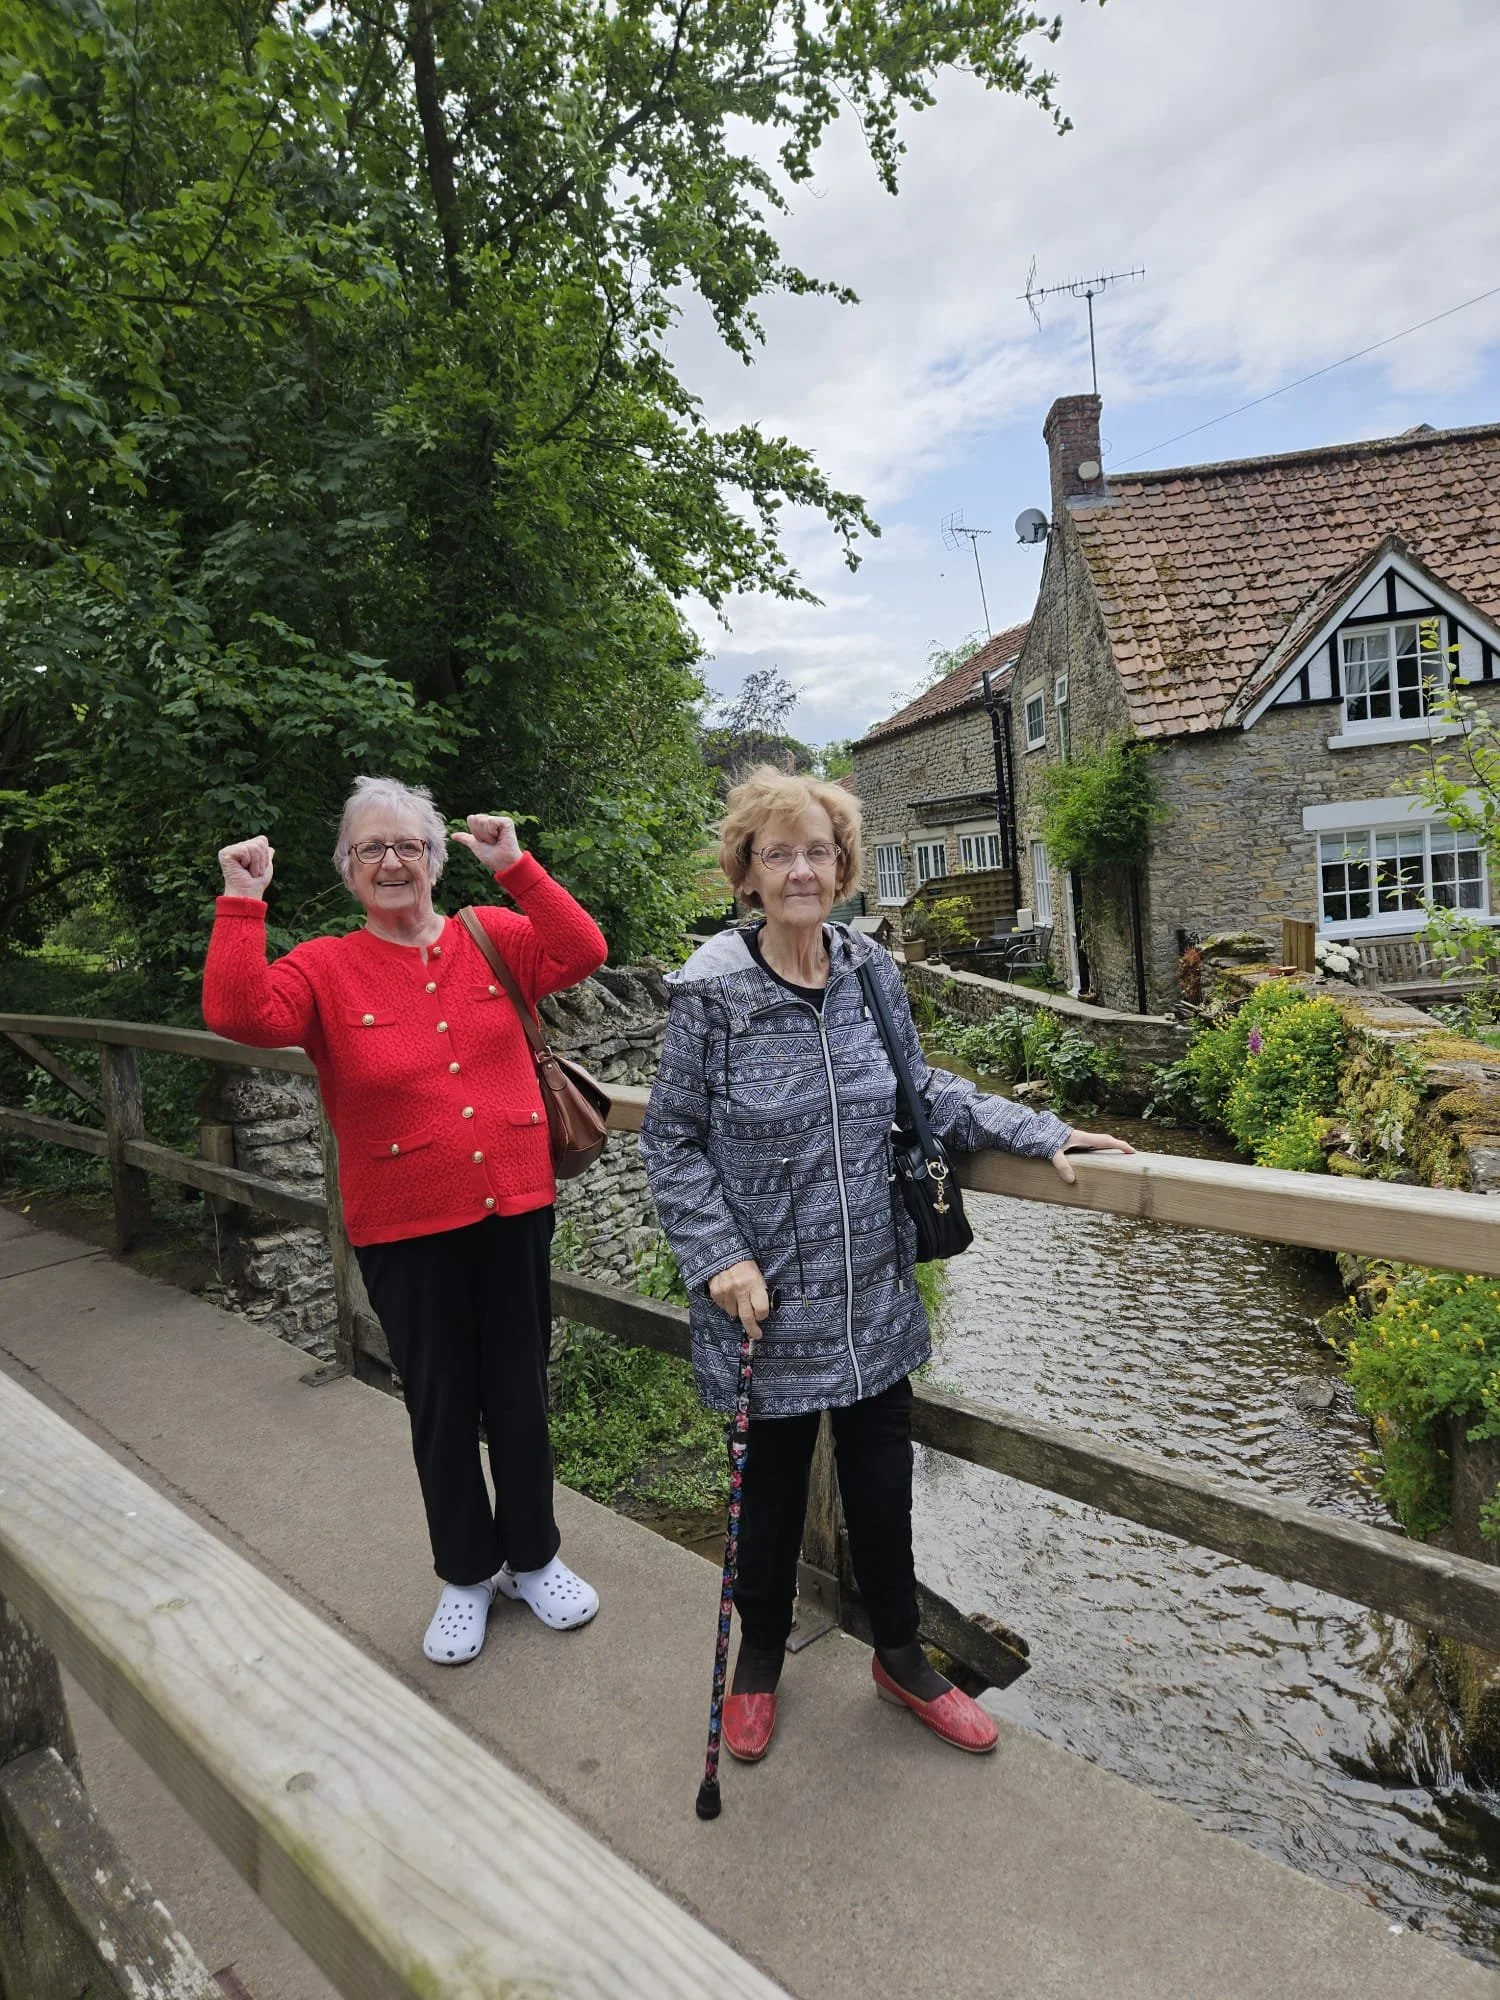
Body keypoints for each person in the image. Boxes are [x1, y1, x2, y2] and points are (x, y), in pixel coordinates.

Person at [641, 767, 1134, 1760]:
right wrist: (720, 1254)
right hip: (767, 1300)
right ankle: (762, 1658)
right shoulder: (711, 990)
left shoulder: (870, 971)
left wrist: (1041, 1130)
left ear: (843, 864)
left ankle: (901, 1657)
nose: (800, 869)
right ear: (747, 870)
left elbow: (928, 1093)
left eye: (817, 849)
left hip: (874, 1285)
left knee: (881, 1482)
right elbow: (671, 1139)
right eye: (778, 852)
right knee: (772, 1488)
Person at [203, 776, 608, 1665]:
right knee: (439, 1402)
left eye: (408, 845)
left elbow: (582, 947)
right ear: (347, 869)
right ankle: (466, 1572)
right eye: (370, 849)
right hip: (404, 1227)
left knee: (520, 1391)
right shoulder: (322, 966)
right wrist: (242, 903)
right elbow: (237, 1013)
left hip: (513, 1208)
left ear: (434, 858)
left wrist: (514, 867)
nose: (391, 861)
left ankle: (535, 1557)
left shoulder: (491, 935)